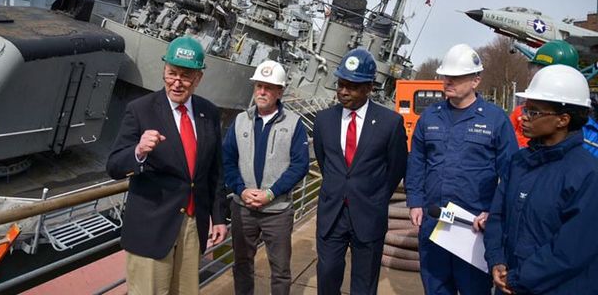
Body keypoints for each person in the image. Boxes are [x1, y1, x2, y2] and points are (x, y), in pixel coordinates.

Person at [107, 36, 227, 295]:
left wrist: (219, 217)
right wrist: (138, 151)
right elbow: (114, 165)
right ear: (164, 70)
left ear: (198, 79)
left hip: (192, 227)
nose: (177, 82)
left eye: (185, 76)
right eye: (172, 73)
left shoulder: (209, 113)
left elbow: (214, 171)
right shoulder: (140, 110)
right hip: (152, 229)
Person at [405, 43, 518, 294]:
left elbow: (511, 173)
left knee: (473, 289)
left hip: (473, 227)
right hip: (434, 221)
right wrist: (414, 201)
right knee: (436, 288)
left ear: (476, 80)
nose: (448, 81)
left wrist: (493, 213)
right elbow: (416, 162)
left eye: (456, 77)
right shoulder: (430, 117)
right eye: (446, 76)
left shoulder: (495, 120)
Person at [484, 64, 598, 294]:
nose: (523, 118)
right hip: (511, 283)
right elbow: (497, 215)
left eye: (533, 112)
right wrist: (496, 260)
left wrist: (519, 278)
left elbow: (572, 249)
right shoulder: (519, 162)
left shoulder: (587, 174)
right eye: (525, 109)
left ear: (563, 120)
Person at [313, 48, 408, 294]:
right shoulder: (323, 120)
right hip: (332, 215)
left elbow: (396, 167)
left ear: (368, 88)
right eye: (341, 84)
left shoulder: (390, 123)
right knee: (327, 277)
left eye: (352, 87)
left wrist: (374, 196)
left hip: (368, 215)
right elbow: (326, 163)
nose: (344, 92)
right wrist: (340, 188)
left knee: (364, 285)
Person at [222, 60, 309, 295]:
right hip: (243, 208)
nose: (262, 92)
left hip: (277, 211)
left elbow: (300, 165)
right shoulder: (240, 121)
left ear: (279, 91)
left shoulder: (293, 124)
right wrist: (241, 190)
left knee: (280, 270)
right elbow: (228, 160)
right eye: (259, 86)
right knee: (242, 264)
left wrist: (270, 193)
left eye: (268, 87)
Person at [509, 40, 580, 148]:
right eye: (535, 70)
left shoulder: (586, 132)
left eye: (534, 113)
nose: (537, 78)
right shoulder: (520, 111)